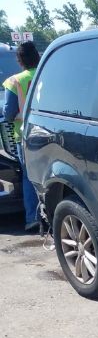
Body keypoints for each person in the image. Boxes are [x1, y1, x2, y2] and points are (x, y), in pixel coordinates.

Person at [1, 41, 40, 231]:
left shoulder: (14, 81)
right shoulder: (47, 74)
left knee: (29, 176)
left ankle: (33, 216)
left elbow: (8, 113)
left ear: (19, 60)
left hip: (24, 134)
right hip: (51, 132)